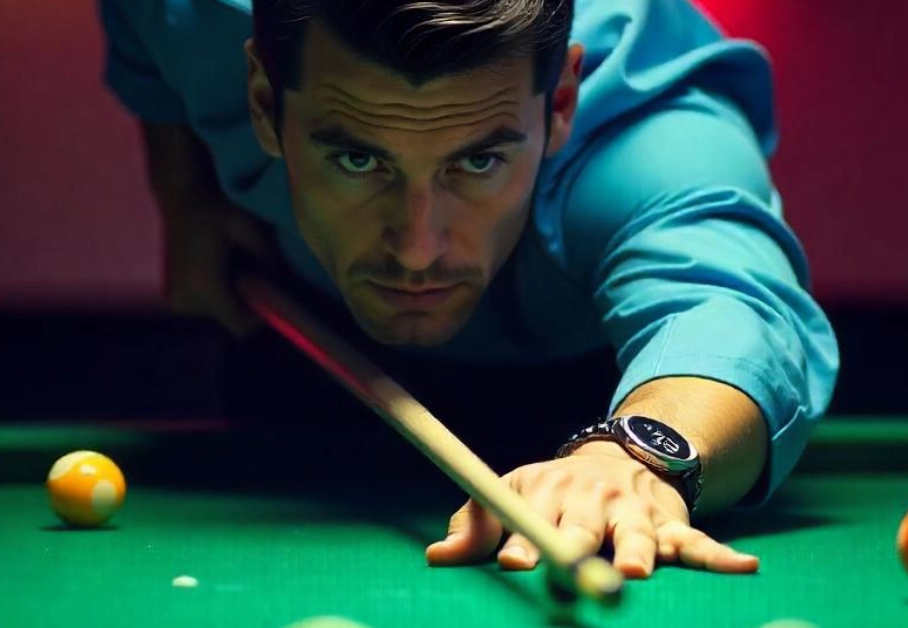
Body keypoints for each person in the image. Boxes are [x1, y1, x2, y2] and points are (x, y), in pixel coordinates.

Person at [95, 0, 840, 580]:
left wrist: (634, 458)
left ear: (558, 105)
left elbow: (734, 312)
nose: (417, 248)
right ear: (261, 99)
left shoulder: (650, 142)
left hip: (590, 393)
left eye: (477, 162)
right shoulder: (201, 21)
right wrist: (182, 190)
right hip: (315, 367)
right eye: (358, 160)